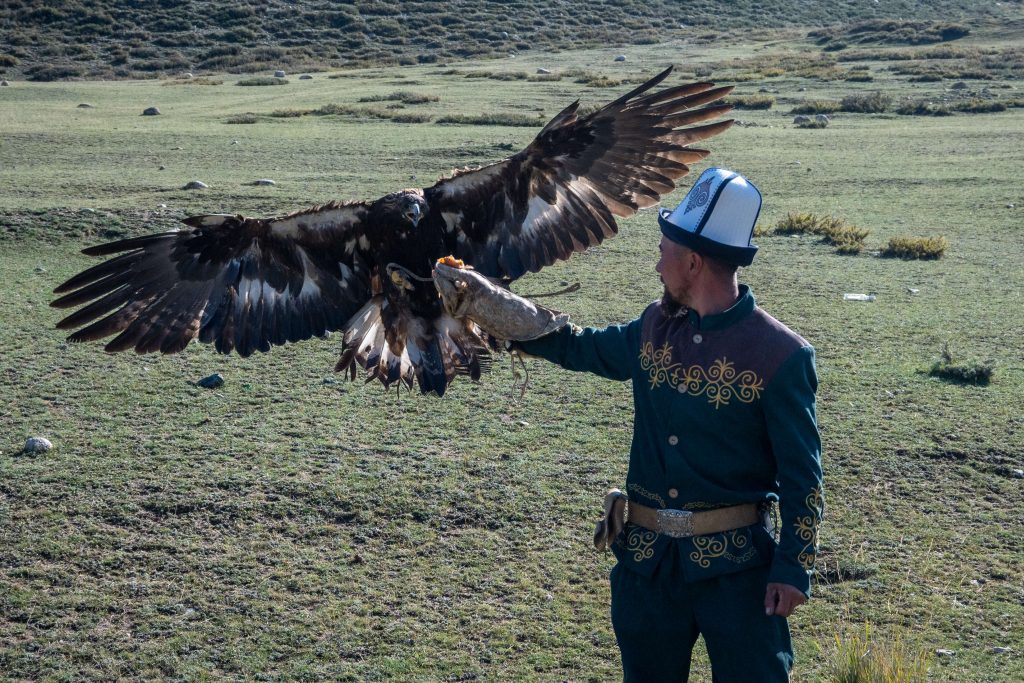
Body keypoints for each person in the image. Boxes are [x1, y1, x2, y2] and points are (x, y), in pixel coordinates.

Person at [514, 168, 824, 681]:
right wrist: (494, 312)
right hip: (648, 569)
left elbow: (803, 478)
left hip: (740, 576)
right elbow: (579, 346)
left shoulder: (782, 356)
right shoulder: (653, 328)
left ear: (694, 261)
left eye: (664, 250)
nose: (657, 263)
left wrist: (794, 568)